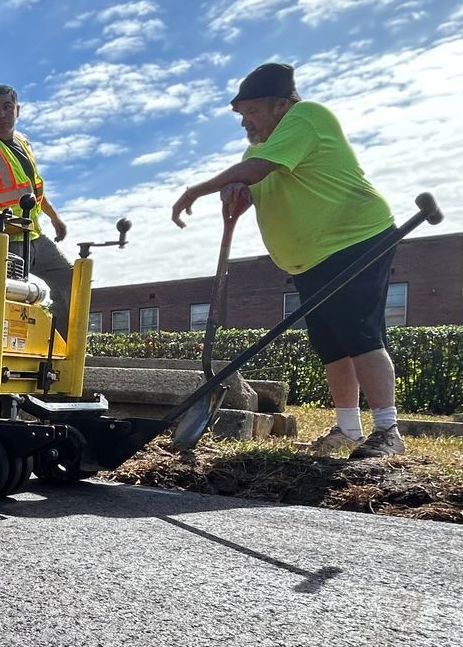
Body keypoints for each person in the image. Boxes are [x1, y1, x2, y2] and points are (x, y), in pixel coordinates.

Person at [170, 62, 405, 459]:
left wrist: (197, 190)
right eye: (242, 114)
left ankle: (388, 430)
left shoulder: (306, 117)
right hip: (310, 260)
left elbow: (258, 170)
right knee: (331, 345)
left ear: (281, 104)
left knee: (360, 334)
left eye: (253, 111)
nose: (246, 121)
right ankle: (348, 429)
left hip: (353, 239)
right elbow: (259, 182)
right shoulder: (260, 149)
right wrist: (238, 197)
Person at [0, 84, 72, 322]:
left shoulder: (23, 143)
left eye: (7, 107)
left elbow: (32, 189)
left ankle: (60, 347)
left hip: (33, 236)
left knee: (71, 279)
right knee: (11, 301)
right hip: (2, 240)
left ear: (17, 110)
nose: (1, 114)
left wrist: (54, 217)